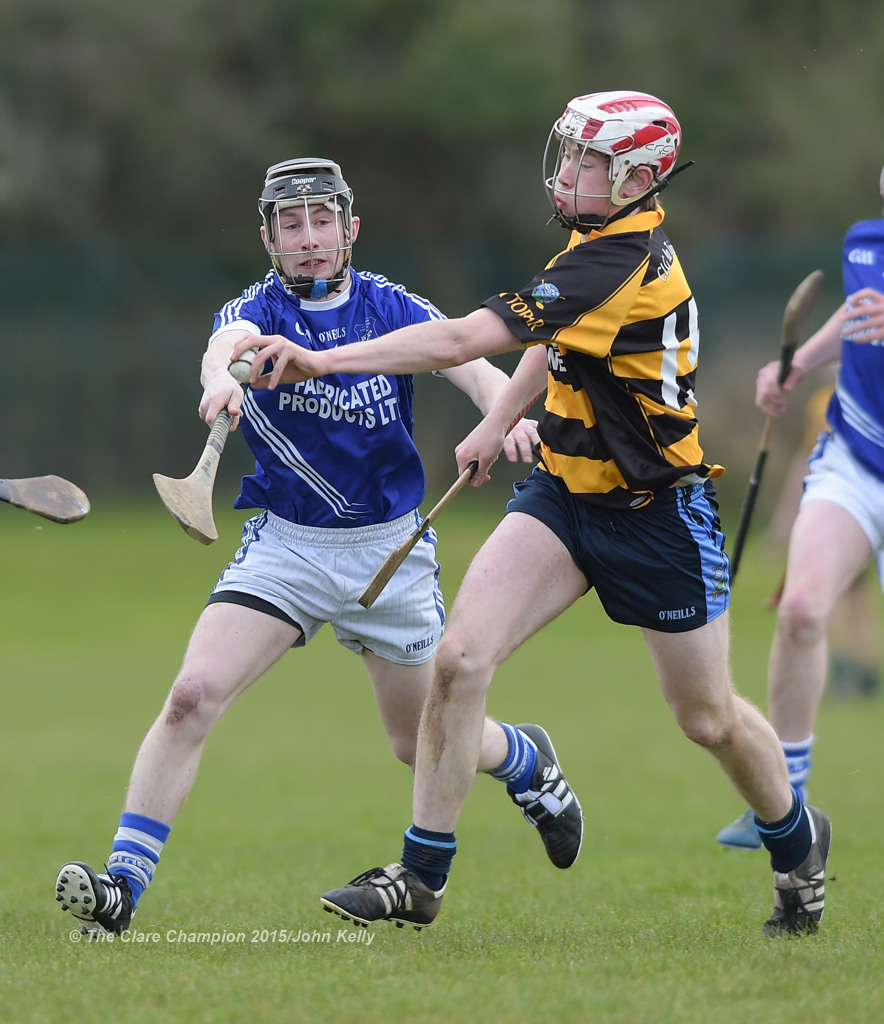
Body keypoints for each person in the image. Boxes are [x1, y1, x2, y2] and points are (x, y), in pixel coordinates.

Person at [231, 93, 831, 937]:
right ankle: (421, 876)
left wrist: (318, 359)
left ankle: (798, 847)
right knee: (460, 659)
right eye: (571, 155)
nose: (567, 173)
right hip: (561, 496)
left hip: (656, 512)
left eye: (588, 162)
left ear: (638, 178)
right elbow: (557, 346)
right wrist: (496, 420)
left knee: (708, 718)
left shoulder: (615, 260)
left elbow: (457, 341)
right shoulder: (590, 247)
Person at [54, 157, 584, 937]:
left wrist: (507, 416)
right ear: (268, 238)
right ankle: (123, 890)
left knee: (420, 743)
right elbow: (224, 346)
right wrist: (218, 380)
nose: (308, 240)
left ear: (350, 229)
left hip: (391, 551)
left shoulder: (387, 304)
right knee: (191, 696)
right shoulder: (253, 312)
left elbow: (462, 359)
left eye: (322, 221)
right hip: (288, 551)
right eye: (291, 225)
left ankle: (526, 760)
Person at [716, 164, 884, 850]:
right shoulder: (864, 241)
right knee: (803, 608)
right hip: (856, 454)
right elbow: (857, 309)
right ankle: (783, 804)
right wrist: (799, 364)